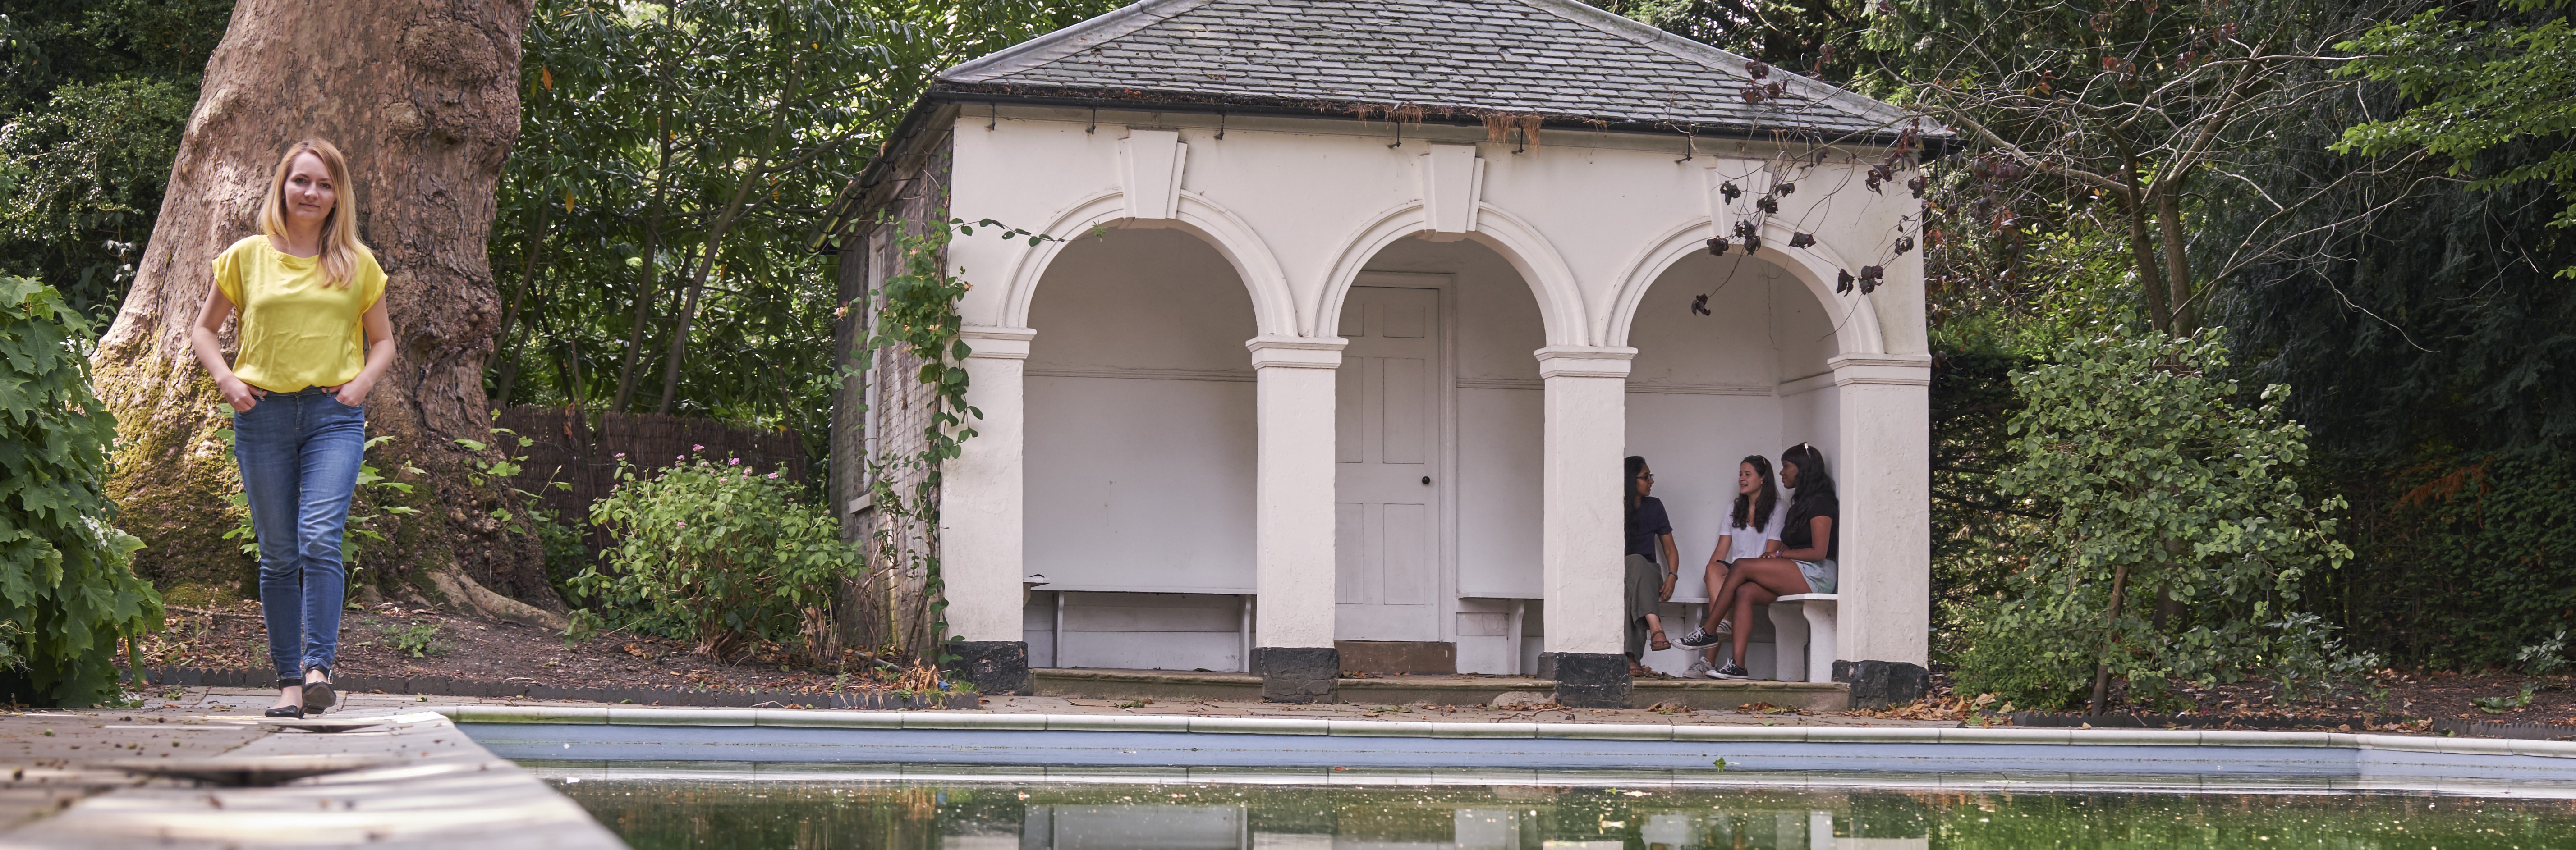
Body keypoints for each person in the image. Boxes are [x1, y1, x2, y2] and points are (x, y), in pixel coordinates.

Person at [188, 138, 394, 719]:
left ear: (338, 197)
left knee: (320, 537)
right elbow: (204, 330)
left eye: (325, 185)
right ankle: (288, 686)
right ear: (283, 185)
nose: (311, 192)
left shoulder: (358, 263)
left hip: (334, 416)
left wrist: (361, 385)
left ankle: (318, 669)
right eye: (302, 180)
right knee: (278, 555)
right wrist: (227, 379)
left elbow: (384, 341)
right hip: (264, 415)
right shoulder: (246, 256)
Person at [1677, 443, 1837, 680]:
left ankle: (1709, 630)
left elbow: (1819, 552)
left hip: (1817, 573)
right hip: (1797, 569)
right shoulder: (1799, 504)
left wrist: (1781, 555)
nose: (1781, 472)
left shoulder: (1821, 503)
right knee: (1745, 593)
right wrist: (1784, 555)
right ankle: (1738, 667)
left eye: (1786, 467)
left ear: (1803, 470)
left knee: (1742, 566)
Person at [1686, 456, 1786, 678]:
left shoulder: (1778, 509)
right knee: (1713, 570)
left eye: (1748, 474)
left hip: (1761, 572)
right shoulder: (1734, 507)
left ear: (1763, 479)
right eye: (1740, 474)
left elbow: (1770, 553)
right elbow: (1721, 552)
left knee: (1727, 588)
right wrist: (1710, 575)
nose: (1742, 479)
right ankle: (1724, 623)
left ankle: (1707, 660)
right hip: (1737, 573)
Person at [1623, 456, 1681, 674]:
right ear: (1631, 480)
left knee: (1639, 568)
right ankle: (1655, 630)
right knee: (1633, 571)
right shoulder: (1615, 506)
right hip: (1619, 574)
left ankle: (1630, 658)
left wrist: (1672, 576)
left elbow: (1669, 548)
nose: (1651, 481)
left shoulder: (1654, 506)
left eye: (1651, 477)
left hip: (1649, 573)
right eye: (1646, 477)